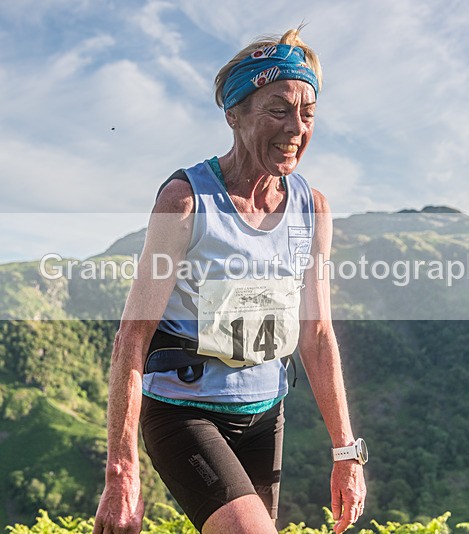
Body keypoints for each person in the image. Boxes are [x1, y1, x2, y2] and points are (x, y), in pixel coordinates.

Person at [93, 28, 366, 534]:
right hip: (183, 412)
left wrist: (347, 451)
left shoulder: (313, 208)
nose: (296, 128)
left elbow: (318, 334)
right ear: (234, 115)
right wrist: (121, 470)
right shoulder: (185, 201)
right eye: (278, 110)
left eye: (307, 113)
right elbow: (133, 336)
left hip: (266, 415)